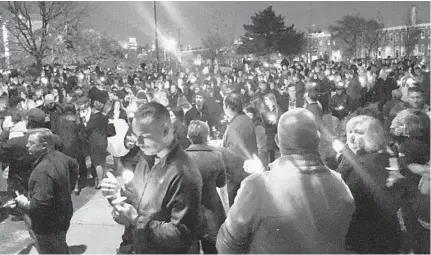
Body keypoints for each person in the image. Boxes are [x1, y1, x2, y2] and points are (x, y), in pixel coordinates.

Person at [216, 108, 355, 253]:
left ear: (277, 141)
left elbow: (226, 244)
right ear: (318, 140)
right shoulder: (340, 184)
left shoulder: (257, 186)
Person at [101, 102, 203, 254]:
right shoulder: (146, 158)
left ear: (166, 131)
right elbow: (138, 199)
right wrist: (118, 194)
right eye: (136, 136)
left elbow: (182, 235)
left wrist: (136, 220)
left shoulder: (184, 174)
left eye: (144, 137)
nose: (138, 142)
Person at [337, 115, 402, 253]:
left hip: (367, 233)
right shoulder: (387, 155)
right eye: (350, 132)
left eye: (359, 133)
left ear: (372, 136)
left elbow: (348, 195)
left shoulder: (364, 164)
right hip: (387, 230)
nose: (352, 137)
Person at [14, 128, 78, 254]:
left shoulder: (43, 171)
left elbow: (40, 205)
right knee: (60, 245)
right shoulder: (61, 157)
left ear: (44, 146)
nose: (27, 146)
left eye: (31, 143)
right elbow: (74, 165)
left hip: (48, 222)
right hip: (63, 213)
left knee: (51, 249)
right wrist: (67, 189)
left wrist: (23, 203)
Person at [185, 120, 227, 254]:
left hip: (188, 211)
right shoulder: (216, 155)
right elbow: (221, 183)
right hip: (212, 211)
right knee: (212, 250)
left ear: (189, 136)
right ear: (207, 135)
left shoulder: (182, 157)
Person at [0, 109, 47, 197]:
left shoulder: (17, 142)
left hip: (21, 188)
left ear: (28, 123)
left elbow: (1, 151)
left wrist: (5, 131)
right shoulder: (54, 140)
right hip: (45, 187)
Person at [222, 93, 257, 205]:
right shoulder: (246, 119)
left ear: (227, 107)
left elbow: (232, 155)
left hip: (237, 177)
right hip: (248, 173)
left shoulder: (236, 125)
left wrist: (219, 150)